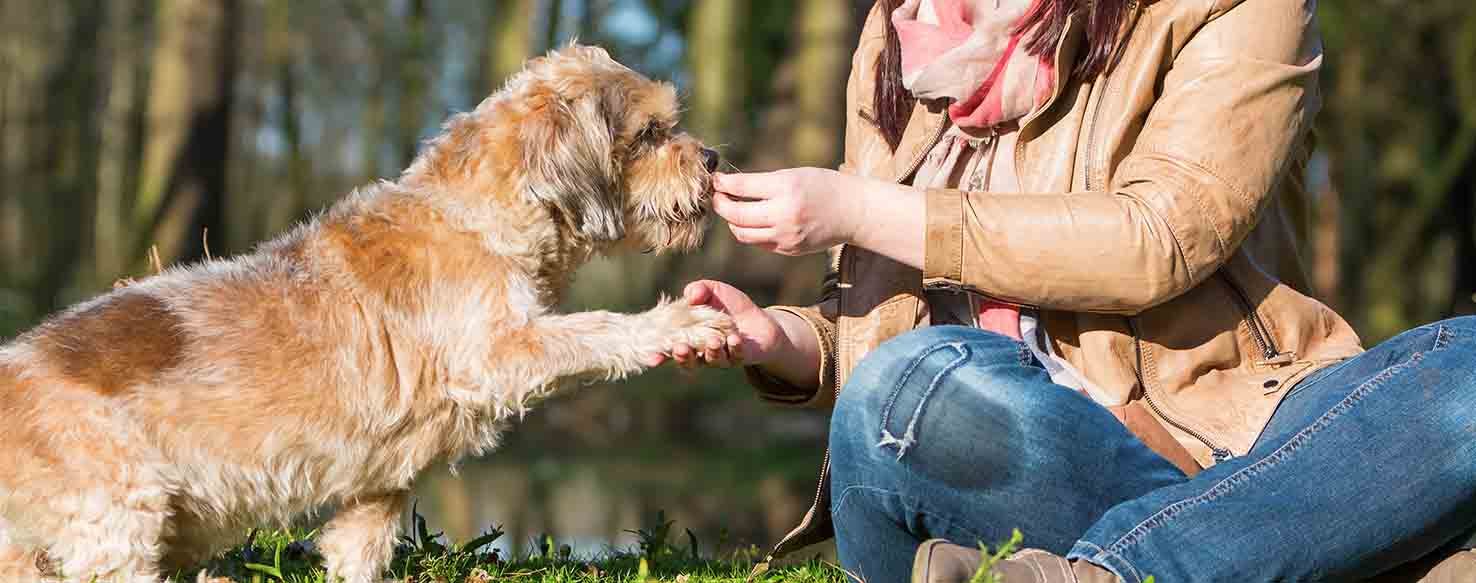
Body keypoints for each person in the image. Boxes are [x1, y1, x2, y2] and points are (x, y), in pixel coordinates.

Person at [652, 0, 1476, 581]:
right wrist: (784, 342)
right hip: (1018, 459)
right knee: (897, 389)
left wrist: (863, 207)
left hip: (1234, 442)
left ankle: (1114, 574)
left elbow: (1160, 236)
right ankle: (1332, 550)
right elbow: (898, 327)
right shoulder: (894, 36)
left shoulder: (1236, 8)